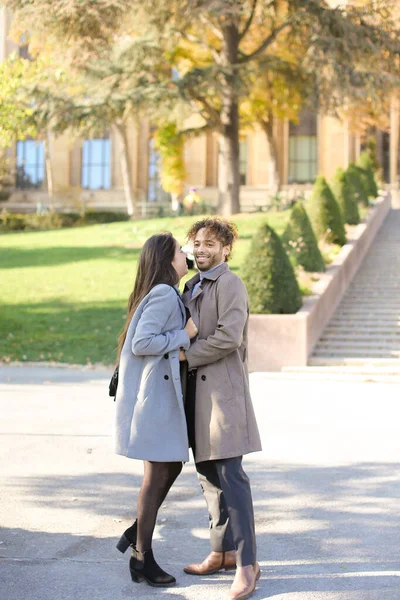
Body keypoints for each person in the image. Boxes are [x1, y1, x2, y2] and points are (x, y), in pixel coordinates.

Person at [180, 218, 262, 600]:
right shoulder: (190, 285)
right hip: (197, 396)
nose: (201, 249)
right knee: (208, 476)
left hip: (224, 395)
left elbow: (229, 336)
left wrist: (187, 356)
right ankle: (221, 552)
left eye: (210, 243)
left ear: (226, 249)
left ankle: (247, 564)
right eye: (196, 242)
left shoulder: (230, 284)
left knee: (231, 477)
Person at [114, 232, 198, 588]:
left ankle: (137, 532)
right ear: (167, 260)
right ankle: (141, 558)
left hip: (159, 399)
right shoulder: (163, 293)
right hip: (155, 401)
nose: (186, 256)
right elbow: (142, 342)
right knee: (156, 475)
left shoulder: (162, 293)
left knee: (170, 466)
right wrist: (186, 335)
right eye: (181, 252)